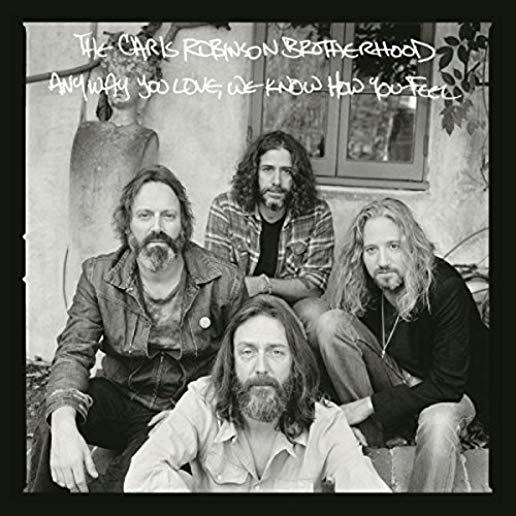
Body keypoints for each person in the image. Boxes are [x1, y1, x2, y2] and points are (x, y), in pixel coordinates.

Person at [27, 165, 248, 493]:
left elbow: (241, 362)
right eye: (145, 215)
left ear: (183, 224)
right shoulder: (99, 276)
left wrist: (197, 410)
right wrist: (62, 421)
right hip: (119, 396)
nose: (157, 227)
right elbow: (74, 351)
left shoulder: (223, 282)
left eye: (168, 216)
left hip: (178, 406)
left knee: (125, 481)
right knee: (55, 424)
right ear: (127, 223)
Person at [124, 295, 390, 493]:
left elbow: (364, 485)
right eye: (248, 352)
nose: (261, 367)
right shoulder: (202, 402)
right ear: (232, 362)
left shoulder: (326, 424)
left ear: (296, 363)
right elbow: (144, 471)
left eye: (276, 352)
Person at [316, 197, 489, 492]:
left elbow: (448, 384)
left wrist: (367, 405)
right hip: (400, 380)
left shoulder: (444, 287)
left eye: (393, 246)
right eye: (371, 250)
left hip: (452, 392)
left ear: (412, 246)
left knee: (437, 423)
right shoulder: (366, 284)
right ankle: (373, 435)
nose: (382, 261)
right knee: (331, 323)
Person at [204, 131, 335, 394]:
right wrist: (256, 293)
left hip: (295, 305)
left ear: (297, 177)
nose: (276, 181)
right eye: (267, 170)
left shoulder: (317, 212)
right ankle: (232, 391)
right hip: (239, 303)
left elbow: (314, 284)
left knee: (319, 314)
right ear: (254, 173)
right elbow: (219, 282)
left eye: (286, 172)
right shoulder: (226, 207)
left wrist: (264, 285)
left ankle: (311, 393)